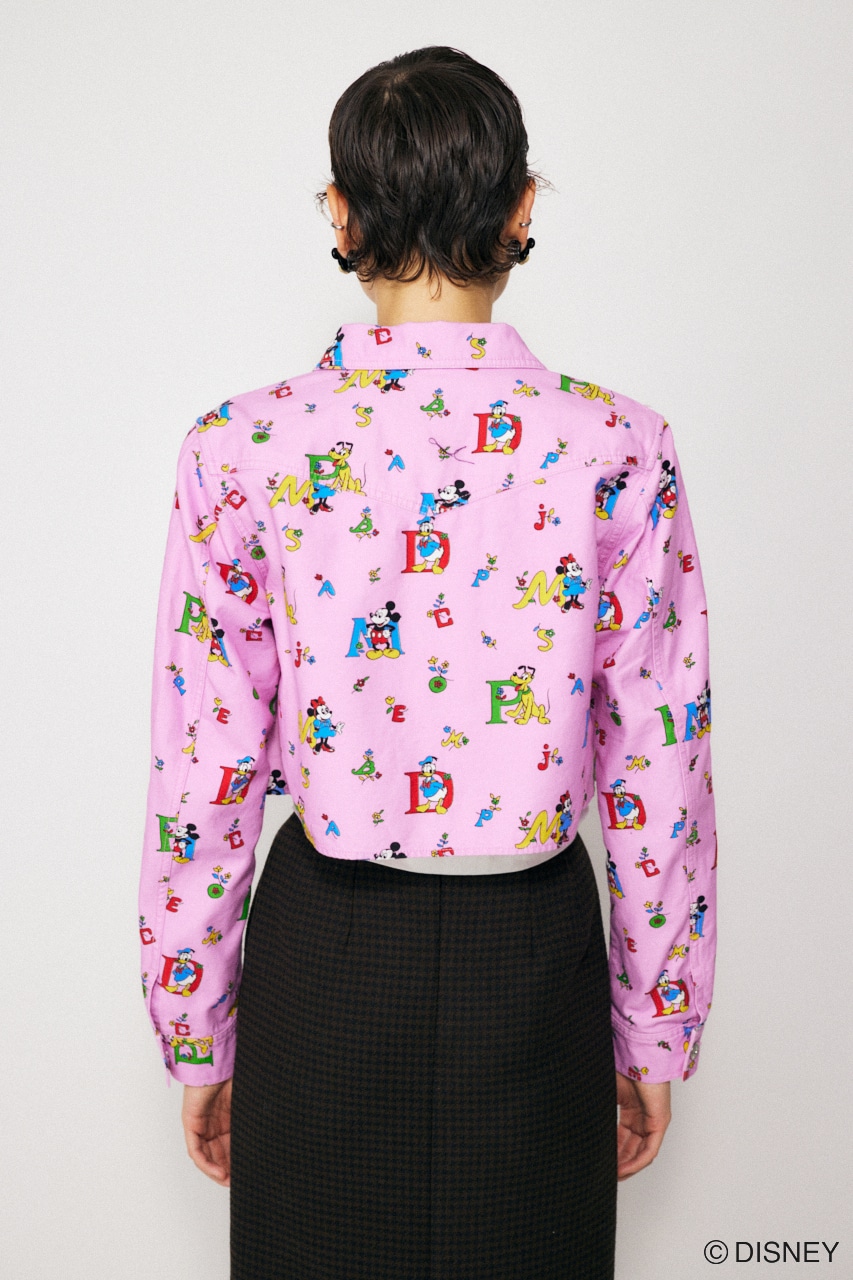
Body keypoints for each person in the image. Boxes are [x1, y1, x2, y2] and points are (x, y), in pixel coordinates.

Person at [138, 45, 717, 1280]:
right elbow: (657, 764)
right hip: (537, 950)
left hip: (324, 952)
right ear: (521, 208)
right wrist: (655, 1025)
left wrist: (197, 1027)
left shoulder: (240, 446)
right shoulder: (619, 445)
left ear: (341, 214)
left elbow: (204, 762)